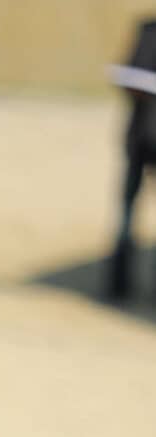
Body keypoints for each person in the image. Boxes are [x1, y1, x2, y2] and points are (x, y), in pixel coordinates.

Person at [108, 16, 156, 299]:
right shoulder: (147, 30)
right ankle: (118, 283)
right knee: (126, 213)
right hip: (140, 137)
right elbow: (129, 74)